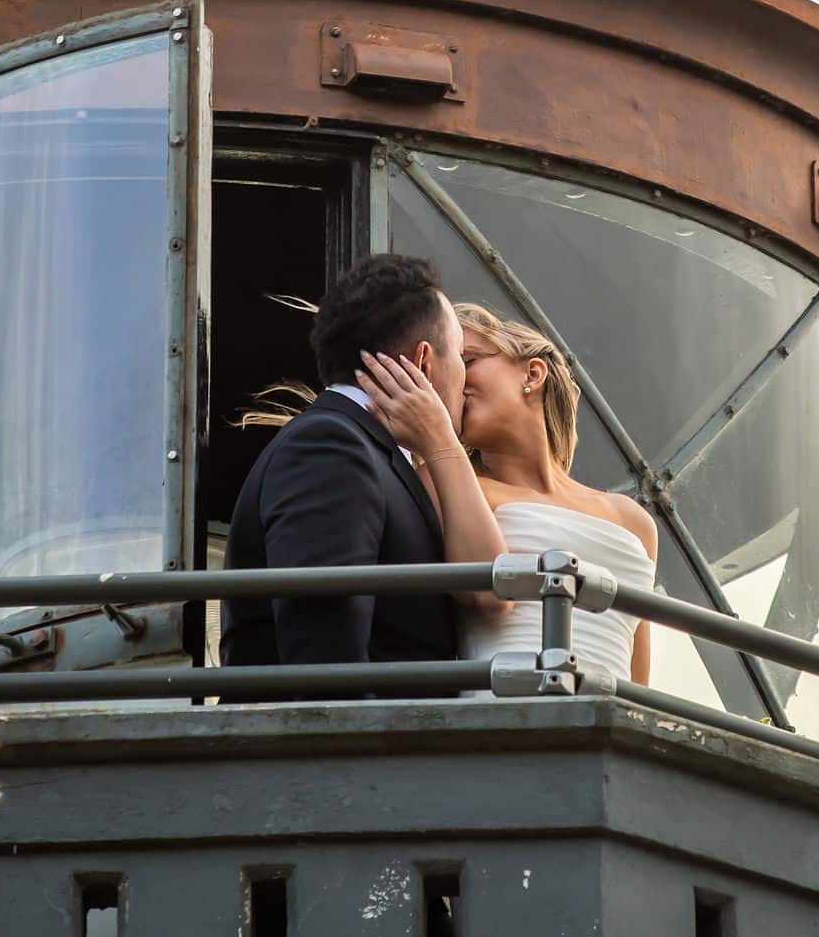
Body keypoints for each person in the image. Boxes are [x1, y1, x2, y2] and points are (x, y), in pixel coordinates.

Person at [220, 255, 507, 679]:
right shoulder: (331, 446)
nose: (464, 381)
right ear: (425, 362)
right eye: (461, 357)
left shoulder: (361, 448)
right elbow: (324, 652)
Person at [355, 302, 658, 686]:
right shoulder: (440, 481)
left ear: (532, 373)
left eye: (470, 359)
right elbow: (483, 594)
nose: (456, 380)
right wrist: (438, 441)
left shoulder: (633, 519)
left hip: (604, 734)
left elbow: (638, 682)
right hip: (507, 722)